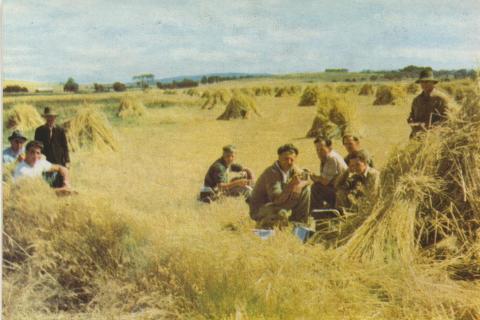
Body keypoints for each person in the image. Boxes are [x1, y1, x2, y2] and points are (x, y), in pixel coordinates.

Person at [249, 144, 310, 229]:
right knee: (281, 214)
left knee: (305, 190)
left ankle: (299, 224)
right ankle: (264, 226)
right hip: (261, 208)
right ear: (279, 158)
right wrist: (291, 185)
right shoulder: (272, 172)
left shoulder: (291, 168)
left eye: (291, 159)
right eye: (286, 159)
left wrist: (299, 185)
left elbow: (307, 177)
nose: (288, 162)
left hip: (276, 205)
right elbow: (276, 200)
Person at [407, 69, 450, 139]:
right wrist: (411, 121)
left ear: (432, 83)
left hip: (435, 138)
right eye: (422, 82)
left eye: (427, 82)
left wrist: (430, 130)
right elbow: (412, 115)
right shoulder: (417, 100)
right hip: (417, 136)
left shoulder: (441, 98)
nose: (424, 84)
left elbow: (446, 120)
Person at [34, 107, 70, 187]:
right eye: (48, 116)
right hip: (46, 160)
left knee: (60, 180)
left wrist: (67, 161)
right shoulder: (39, 130)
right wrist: (38, 157)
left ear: (55, 117)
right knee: (48, 182)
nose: (50, 118)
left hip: (59, 159)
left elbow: (65, 147)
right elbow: (36, 146)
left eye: (52, 116)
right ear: (45, 118)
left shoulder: (60, 130)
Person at [309, 137, 347, 211]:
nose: (319, 152)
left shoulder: (331, 158)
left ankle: (318, 213)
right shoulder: (327, 157)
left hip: (341, 193)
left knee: (316, 188)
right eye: (317, 150)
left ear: (329, 148)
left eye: (322, 149)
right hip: (338, 189)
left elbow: (325, 182)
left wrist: (313, 177)